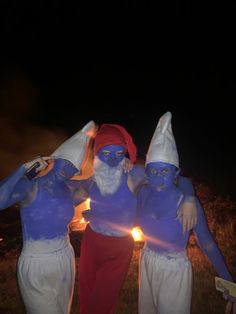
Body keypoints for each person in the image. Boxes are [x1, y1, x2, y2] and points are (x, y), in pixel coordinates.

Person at [67, 123, 198, 314]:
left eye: (119, 154)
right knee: (87, 292)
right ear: (96, 155)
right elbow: (67, 191)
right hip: (91, 240)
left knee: (102, 299)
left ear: (125, 154)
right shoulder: (93, 179)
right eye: (106, 153)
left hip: (119, 245)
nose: (112, 160)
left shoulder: (134, 174)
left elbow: (179, 179)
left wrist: (189, 197)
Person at [137, 111, 234, 314]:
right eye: (153, 171)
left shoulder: (186, 203)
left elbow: (206, 241)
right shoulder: (144, 193)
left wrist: (228, 281)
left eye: (165, 171)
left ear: (176, 173)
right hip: (147, 261)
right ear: (147, 172)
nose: (158, 177)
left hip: (174, 269)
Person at [0, 121, 96, 314]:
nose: (70, 171)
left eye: (75, 169)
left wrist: (117, 163)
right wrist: (22, 169)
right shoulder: (31, 185)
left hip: (64, 255)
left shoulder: (69, 187)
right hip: (37, 261)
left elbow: (97, 182)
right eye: (67, 163)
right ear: (53, 159)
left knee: (62, 309)